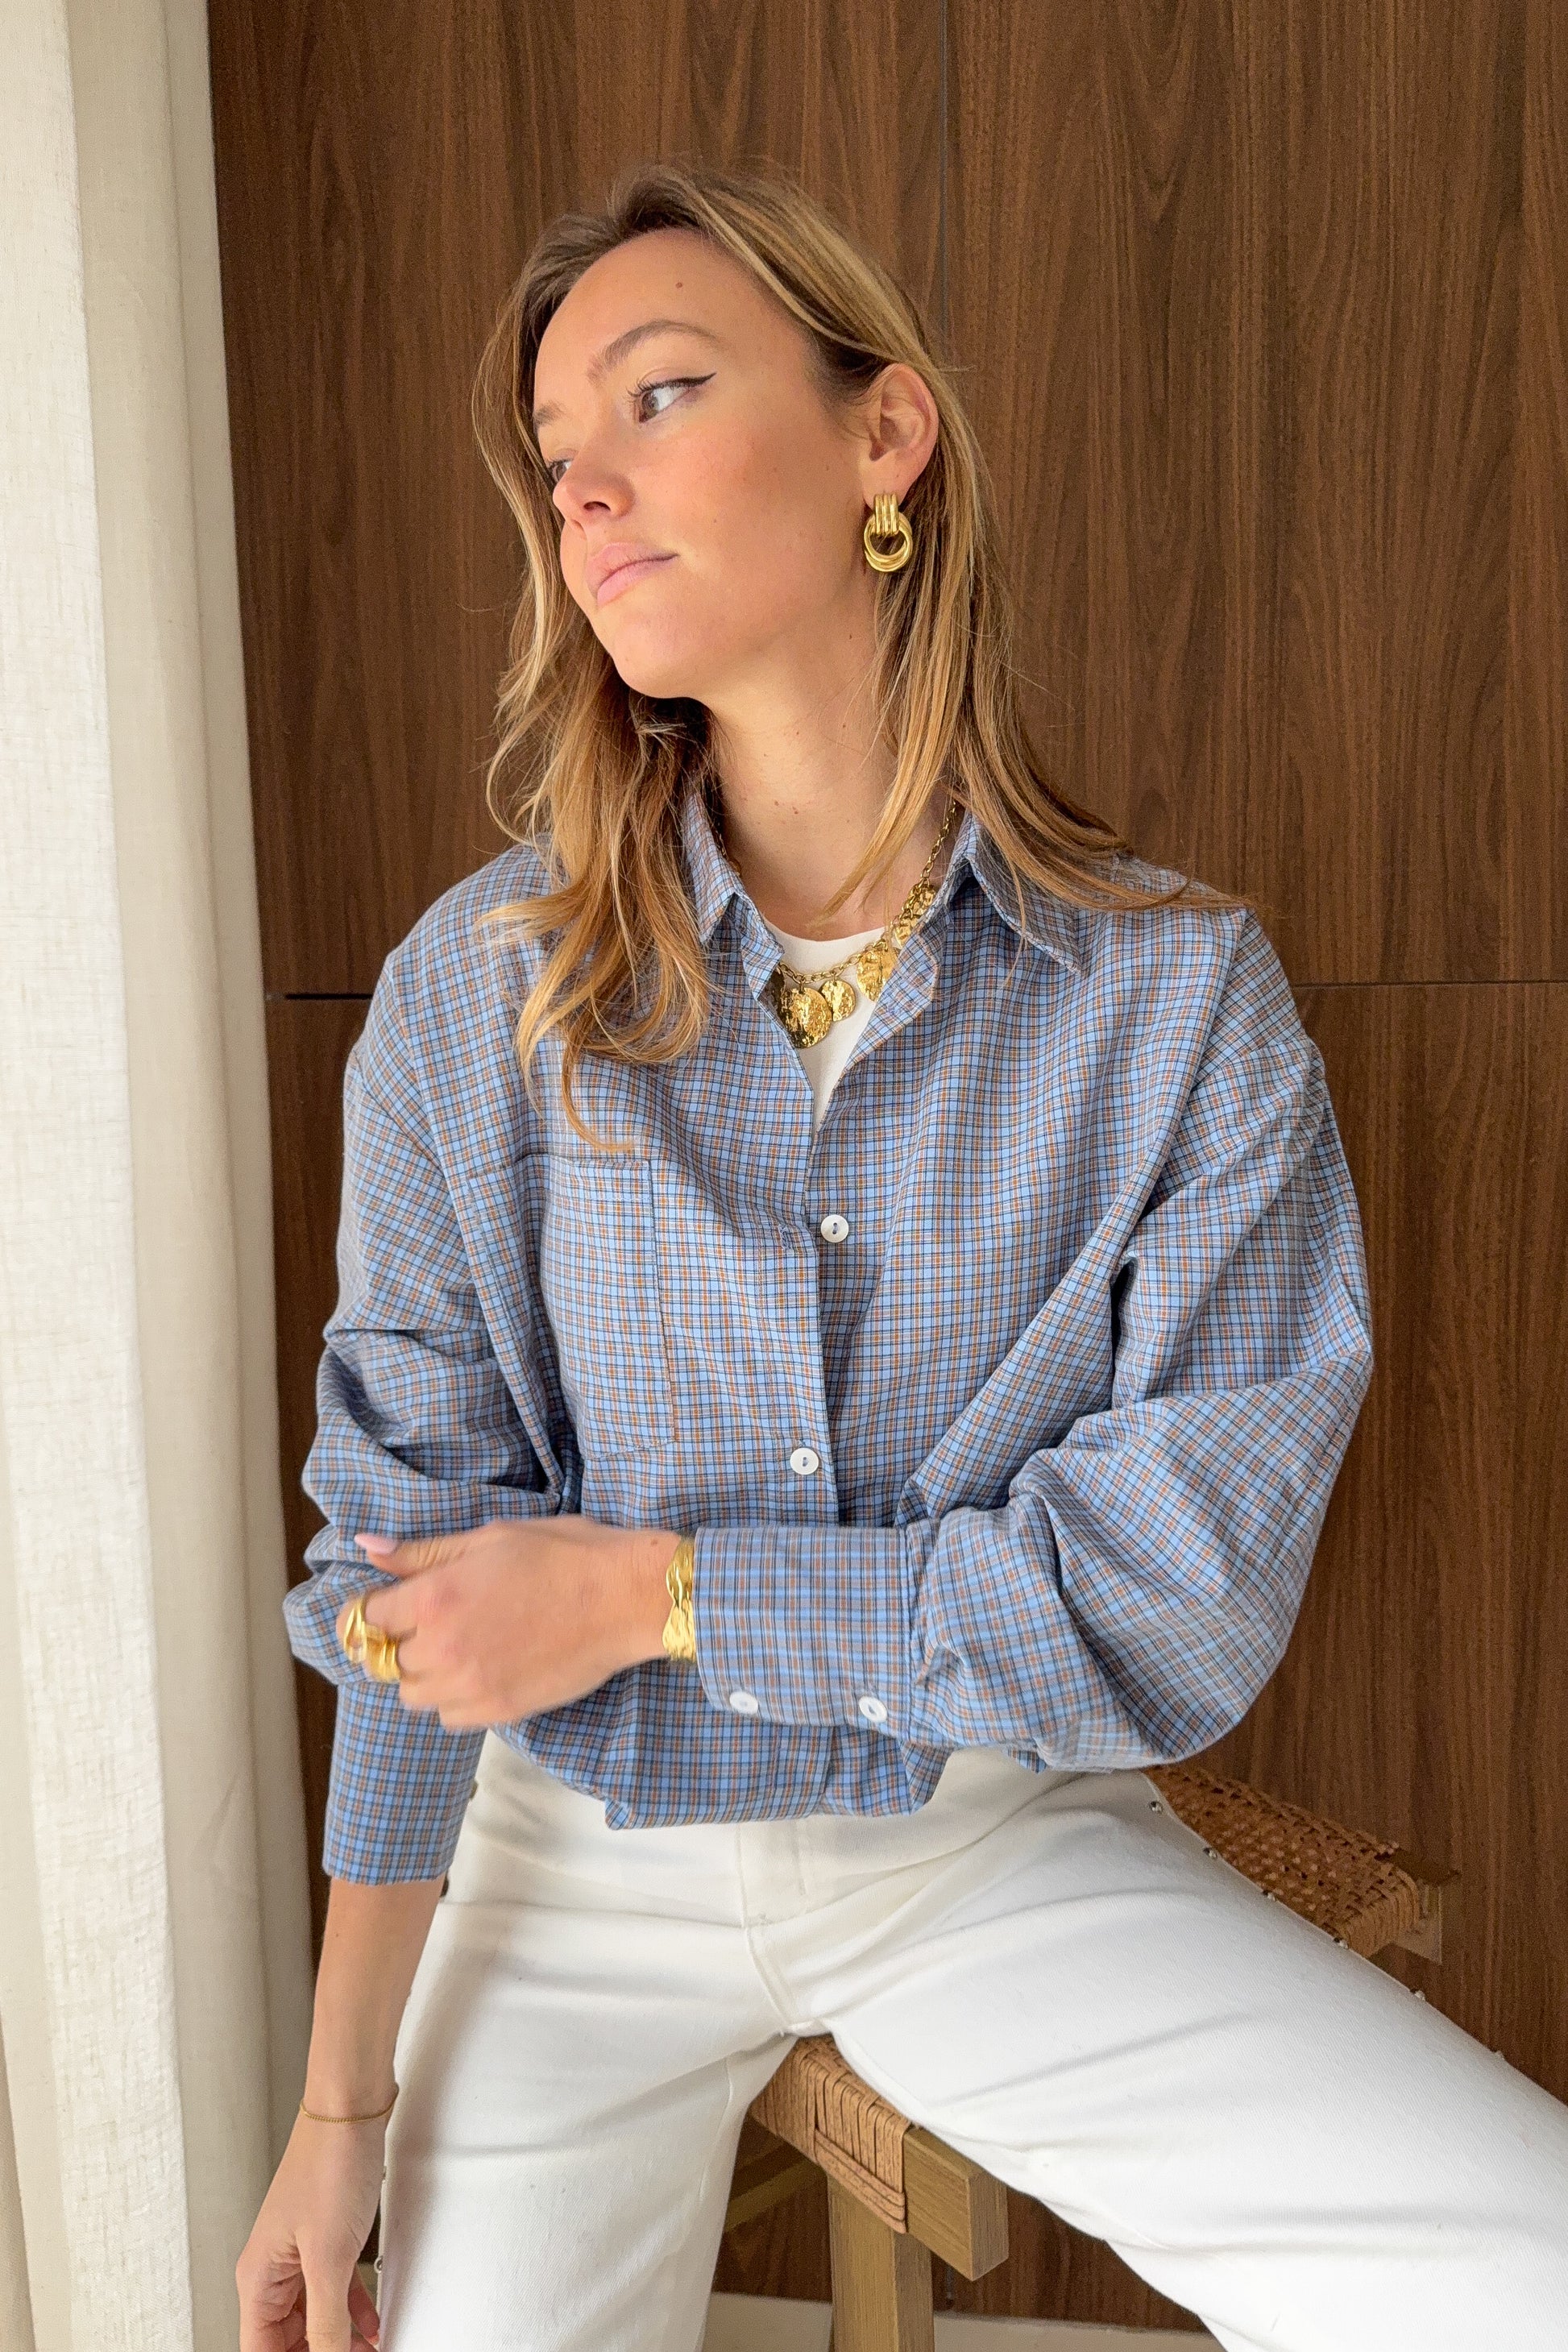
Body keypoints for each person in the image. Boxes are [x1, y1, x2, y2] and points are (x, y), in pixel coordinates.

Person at [235, 160, 1568, 2352]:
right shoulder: (473, 995)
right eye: (554, 462)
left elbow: (1174, 1596)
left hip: (987, 1840)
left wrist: (660, 1592)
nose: (587, 493)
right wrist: (332, 2108)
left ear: (885, 436)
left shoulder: (1174, 1001)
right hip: (572, 1870)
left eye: (661, 394)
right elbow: (412, 1582)